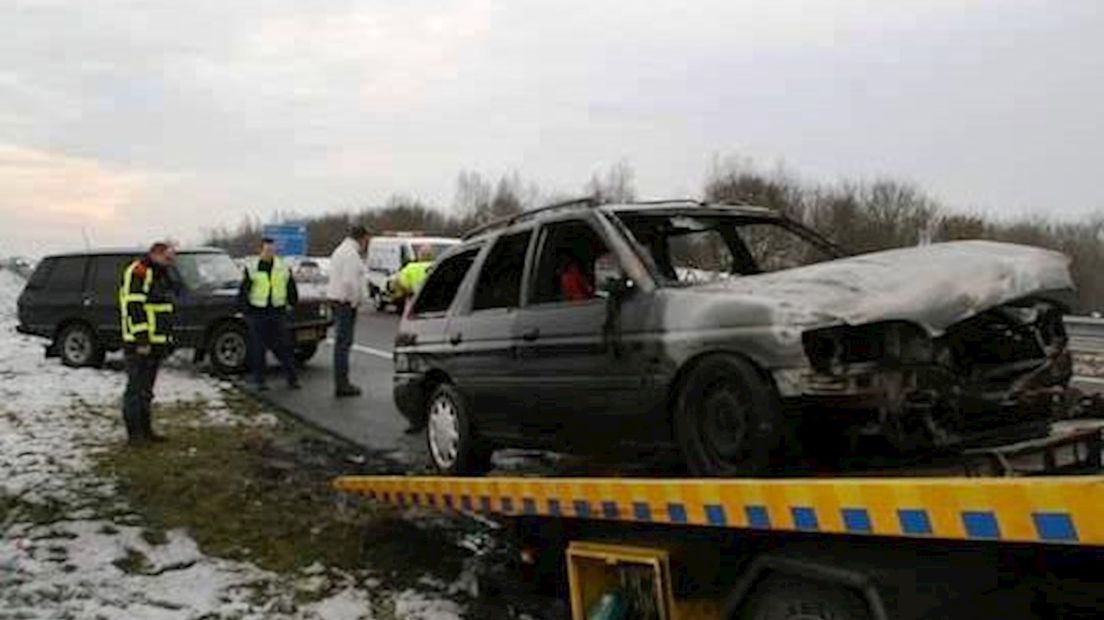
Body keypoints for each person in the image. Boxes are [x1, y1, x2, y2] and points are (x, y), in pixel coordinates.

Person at [119, 241, 177, 445]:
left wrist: (167, 340)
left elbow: (164, 309)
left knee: (146, 390)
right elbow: (134, 306)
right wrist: (142, 339)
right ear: (156, 254)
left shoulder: (161, 274)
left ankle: (146, 431)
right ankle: (134, 435)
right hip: (139, 343)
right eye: (168, 257)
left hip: (156, 342)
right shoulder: (139, 271)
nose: (171, 262)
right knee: (135, 389)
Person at [238, 237, 301, 391]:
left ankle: (292, 378)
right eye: (267, 250)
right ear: (260, 250)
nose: (270, 253)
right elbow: (244, 291)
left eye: (272, 250)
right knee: (258, 349)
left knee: (283, 347)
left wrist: (292, 304)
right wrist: (245, 310)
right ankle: (260, 381)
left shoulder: (282, 267)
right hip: (258, 312)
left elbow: (291, 287)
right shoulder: (252, 267)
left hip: (277, 312)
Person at [327, 224, 370, 397]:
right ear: (362, 238)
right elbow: (349, 282)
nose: (367, 243)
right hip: (345, 303)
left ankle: (341, 382)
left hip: (338, 300)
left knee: (341, 344)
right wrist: (355, 301)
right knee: (343, 344)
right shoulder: (351, 254)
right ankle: (342, 384)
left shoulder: (341, 250)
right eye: (367, 239)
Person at [392, 244, 435, 310]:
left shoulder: (410, 267)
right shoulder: (437, 265)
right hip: (434, 301)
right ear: (432, 255)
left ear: (419, 255)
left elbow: (399, 281)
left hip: (414, 299)